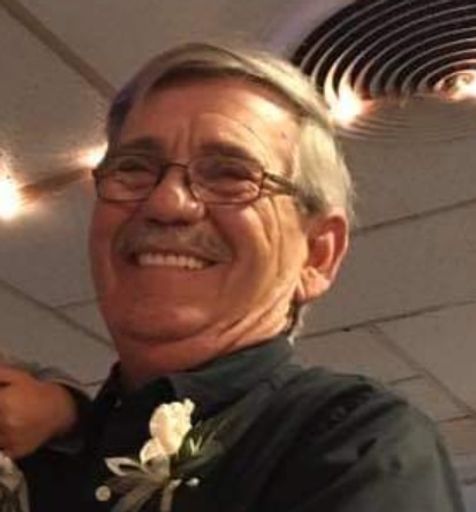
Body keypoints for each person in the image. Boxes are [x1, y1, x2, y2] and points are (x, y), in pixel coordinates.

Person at [17, 42, 464, 512]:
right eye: (133, 168)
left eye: (230, 175)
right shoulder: (43, 447)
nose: (165, 202)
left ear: (317, 255)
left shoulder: (361, 443)